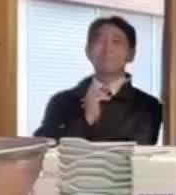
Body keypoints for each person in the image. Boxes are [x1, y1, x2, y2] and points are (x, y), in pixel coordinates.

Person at [35, 15, 162, 145]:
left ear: (131, 54)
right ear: (88, 51)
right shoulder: (61, 101)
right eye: (99, 40)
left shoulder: (148, 106)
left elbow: (135, 154)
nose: (107, 49)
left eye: (116, 41)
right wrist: (87, 119)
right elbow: (43, 149)